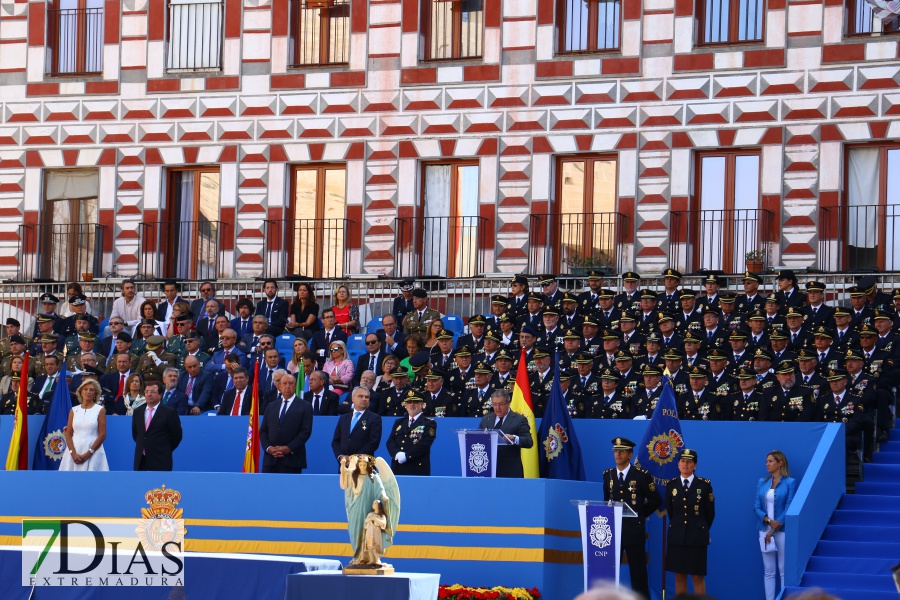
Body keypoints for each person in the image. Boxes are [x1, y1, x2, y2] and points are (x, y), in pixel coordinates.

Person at [602, 437, 661, 599]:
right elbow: (607, 500)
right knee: (610, 572)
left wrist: (639, 515)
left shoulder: (641, 476)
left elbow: (656, 499)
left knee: (638, 573)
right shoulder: (608, 475)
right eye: (616, 451)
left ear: (630, 454)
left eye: (622, 451)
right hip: (613, 531)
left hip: (634, 531)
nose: (618, 454)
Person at [666, 448, 715, 596]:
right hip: (677, 536)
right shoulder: (671, 485)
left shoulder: (704, 486)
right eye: (682, 461)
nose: (685, 465)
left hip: (697, 538)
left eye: (689, 462)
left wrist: (700, 529)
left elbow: (710, 513)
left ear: (695, 465)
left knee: (697, 576)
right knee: (679, 576)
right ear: (678, 464)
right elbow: (671, 511)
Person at [755, 450, 797, 600]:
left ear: (780, 463)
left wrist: (775, 527)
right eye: (766, 461)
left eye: (771, 461)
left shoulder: (790, 482)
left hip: (782, 530)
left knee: (783, 569)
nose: (767, 464)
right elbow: (756, 506)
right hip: (763, 530)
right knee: (769, 570)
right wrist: (767, 520)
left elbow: (789, 505)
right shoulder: (762, 482)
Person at [260, 374, 314, 474]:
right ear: (279, 386)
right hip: (271, 459)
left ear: (295, 385)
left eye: (291, 383)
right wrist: (269, 448)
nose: (287, 386)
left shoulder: (305, 406)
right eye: (284, 383)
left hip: (292, 460)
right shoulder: (271, 406)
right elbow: (263, 431)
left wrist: (289, 448)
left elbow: (305, 432)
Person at [477, 389, 533, 478]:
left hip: (510, 471)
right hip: (488, 469)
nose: (497, 408)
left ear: (508, 403)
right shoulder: (486, 419)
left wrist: (514, 438)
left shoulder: (519, 420)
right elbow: (477, 438)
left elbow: (529, 441)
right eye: (494, 404)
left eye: (501, 404)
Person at [132, 380, 183, 471]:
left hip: (161, 458)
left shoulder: (169, 412)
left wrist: (165, 449)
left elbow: (177, 436)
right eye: (147, 392)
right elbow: (136, 434)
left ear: (160, 395)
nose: (149, 394)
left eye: (153, 392)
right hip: (141, 459)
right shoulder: (138, 411)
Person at [59, 380, 109, 472]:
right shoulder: (74, 410)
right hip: (74, 450)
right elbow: (68, 433)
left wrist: (89, 453)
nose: (88, 392)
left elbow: (102, 435)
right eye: (85, 389)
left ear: (95, 394)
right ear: (80, 392)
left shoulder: (100, 410)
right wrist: (73, 453)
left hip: (94, 451)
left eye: (91, 390)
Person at [386, 391, 437, 475]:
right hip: (398, 467)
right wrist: (396, 453)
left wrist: (407, 456)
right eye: (409, 402)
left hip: (417, 468)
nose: (412, 404)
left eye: (415, 402)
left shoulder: (429, 423)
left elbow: (424, 444)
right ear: (405, 405)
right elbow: (390, 441)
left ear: (421, 404)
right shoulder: (399, 422)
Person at [332, 386, 383, 461]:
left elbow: (373, 442)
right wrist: (341, 456)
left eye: (367, 397)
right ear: (352, 399)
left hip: (363, 464)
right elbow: (336, 441)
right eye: (360, 396)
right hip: (344, 464)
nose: (364, 399)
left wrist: (355, 458)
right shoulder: (344, 418)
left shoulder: (374, 418)